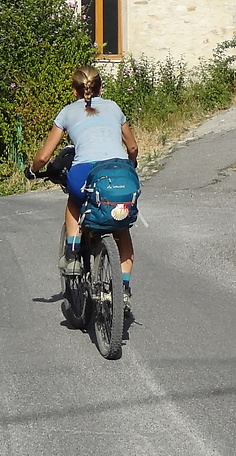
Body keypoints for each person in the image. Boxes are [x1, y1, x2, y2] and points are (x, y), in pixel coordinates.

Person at [30, 65, 139, 302]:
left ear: (74, 91)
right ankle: (124, 292)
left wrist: (31, 170)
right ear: (101, 87)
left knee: (74, 200)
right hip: (118, 171)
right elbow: (132, 147)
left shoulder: (67, 112)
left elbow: (43, 157)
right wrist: (131, 165)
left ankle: (71, 254)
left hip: (84, 173)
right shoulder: (114, 107)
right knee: (121, 226)